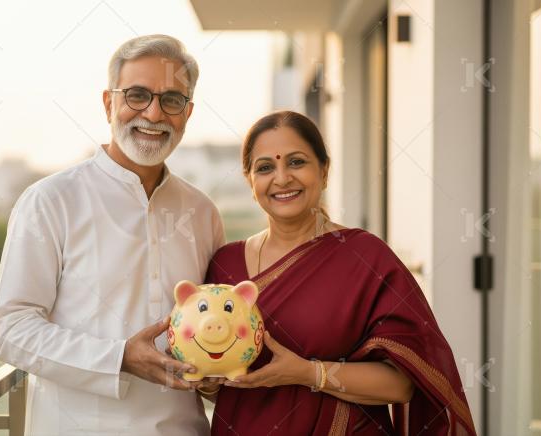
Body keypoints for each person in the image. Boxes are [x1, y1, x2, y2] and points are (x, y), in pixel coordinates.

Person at [0, 34, 224, 435]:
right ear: (108, 103)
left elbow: (210, 327)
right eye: (137, 95)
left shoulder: (202, 213)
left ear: (187, 113)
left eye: (171, 100)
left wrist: (215, 373)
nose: (153, 114)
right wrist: (119, 358)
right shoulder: (50, 200)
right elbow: (11, 330)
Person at [204, 111, 476, 435]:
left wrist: (307, 373)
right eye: (265, 167)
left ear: (324, 171)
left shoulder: (365, 257)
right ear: (250, 181)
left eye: (296, 162)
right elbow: (218, 381)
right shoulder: (225, 265)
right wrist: (206, 382)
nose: (281, 178)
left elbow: (403, 385)